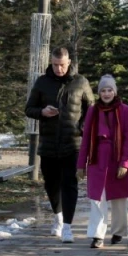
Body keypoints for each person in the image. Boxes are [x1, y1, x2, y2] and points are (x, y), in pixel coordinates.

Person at [25, 47, 94, 243]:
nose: (59, 69)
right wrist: (42, 112)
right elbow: (29, 109)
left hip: (73, 143)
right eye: (55, 65)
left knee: (70, 184)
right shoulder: (42, 82)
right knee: (51, 184)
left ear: (69, 62)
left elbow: (91, 109)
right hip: (48, 142)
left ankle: (68, 228)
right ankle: (58, 216)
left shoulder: (80, 82)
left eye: (62, 65)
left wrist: (81, 128)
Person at [76, 75, 128, 248]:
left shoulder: (124, 110)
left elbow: (127, 138)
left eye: (110, 90)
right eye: (103, 90)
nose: (107, 93)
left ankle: (118, 232)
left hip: (116, 157)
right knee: (97, 198)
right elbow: (86, 138)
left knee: (118, 198)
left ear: (115, 92)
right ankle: (97, 235)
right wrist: (81, 164)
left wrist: (125, 162)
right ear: (99, 92)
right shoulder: (93, 111)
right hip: (97, 157)